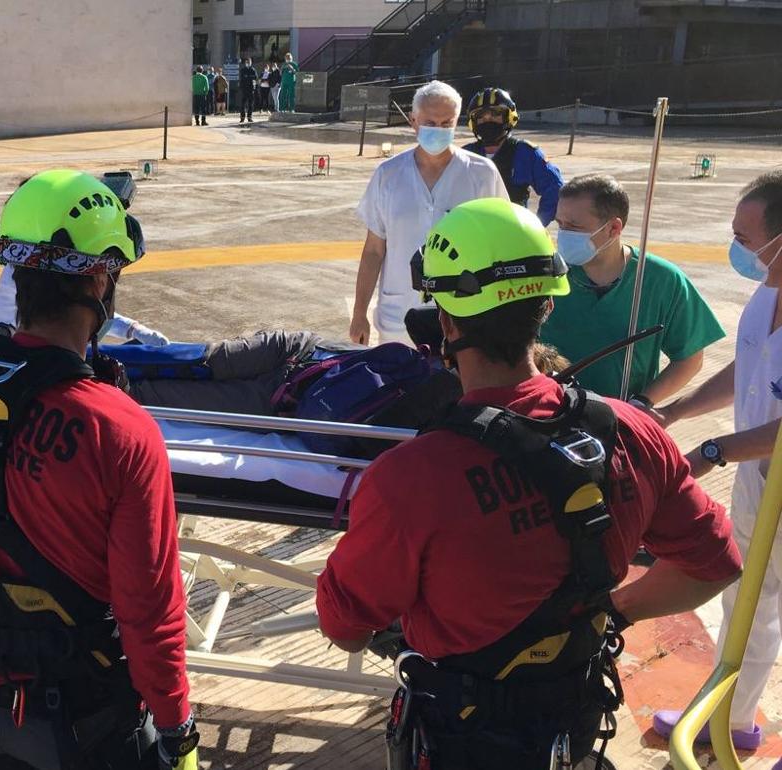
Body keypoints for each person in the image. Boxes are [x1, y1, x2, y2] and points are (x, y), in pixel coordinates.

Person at [318, 197, 742, 770]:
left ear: (446, 322)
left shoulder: (409, 479)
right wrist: (613, 614)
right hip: (574, 713)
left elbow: (345, 628)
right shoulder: (632, 432)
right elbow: (716, 564)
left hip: (461, 735)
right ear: (547, 306)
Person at [0, 170, 198, 770]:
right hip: (88, 723)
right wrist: (176, 726)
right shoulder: (118, 428)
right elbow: (149, 610)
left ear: (17, 274)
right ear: (99, 279)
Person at [648, 170, 782, 751]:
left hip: (762, 467)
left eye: (746, 238)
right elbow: (747, 367)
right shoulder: (769, 292)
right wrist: (676, 411)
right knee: (748, 599)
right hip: (761, 482)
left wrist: (714, 451)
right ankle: (731, 718)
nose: (737, 249)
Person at [349, 80, 509, 346]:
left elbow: (499, 246)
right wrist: (359, 313)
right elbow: (374, 250)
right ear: (413, 121)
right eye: (430, 123)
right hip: (398, 319)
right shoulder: (388, 175)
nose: (439, 130)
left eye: (447, 123)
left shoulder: (482, 174)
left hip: (464, 319)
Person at [542, 173, 724, 404]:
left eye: (574, 227)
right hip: (549, 412)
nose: (563, 235)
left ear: (613, 228)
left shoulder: (660, 280)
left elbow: (689, 358)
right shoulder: (548, 273)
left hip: (622, 416)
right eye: (560, 225)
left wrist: (643, 403)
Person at [0, 263, 169, 345]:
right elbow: (73, 314)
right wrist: (130, 329)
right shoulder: (33, 269)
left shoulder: (24, 264)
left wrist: (131, 328)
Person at [463, 87, 564, 226]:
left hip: (512, 231)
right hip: (470, 230)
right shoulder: (465, 154)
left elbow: (554, 188)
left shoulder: (525, 153)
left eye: (495, 114)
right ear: (473, 122)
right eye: (480, 116)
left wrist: (538, 225)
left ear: (509, 117)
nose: (488, 120)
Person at [237, 58, 257, 123]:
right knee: (242, 104)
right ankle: (242, 117)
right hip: (244, 89)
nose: (248, 63)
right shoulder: (243, 70)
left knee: (250, 104)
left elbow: (255, 78)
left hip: (251, 89)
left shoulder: (253, 70)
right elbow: (241, 79)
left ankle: (249, 117)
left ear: (251, 63)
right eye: (247, 62)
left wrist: (248, 77)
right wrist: (241, 87)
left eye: (249, 62)